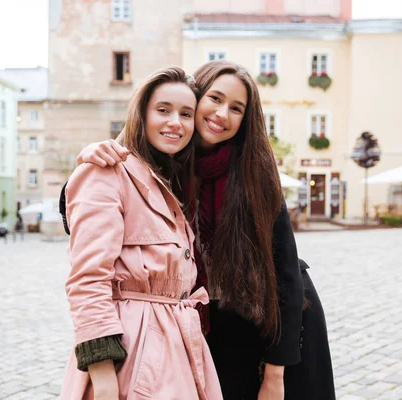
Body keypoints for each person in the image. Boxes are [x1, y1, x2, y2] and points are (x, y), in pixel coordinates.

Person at [70, 61, 335, 399]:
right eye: (215, 99)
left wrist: (275, 374)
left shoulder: (256, 175)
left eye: (236, 108)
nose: (222, 114)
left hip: (271, 327)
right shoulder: (166, 162)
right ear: (196, 100)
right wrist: (94, 155)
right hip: (202, 327)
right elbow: (87, 212)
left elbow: (285, 276)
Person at [60, 67, 222, 400]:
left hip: (179, 349)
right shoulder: (107, 170)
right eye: (163, 110)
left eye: (186, 114)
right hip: (133, 351)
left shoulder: (169, 180)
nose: (175, 121)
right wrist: (102, 375)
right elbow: (87, 279)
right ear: (142, 114)